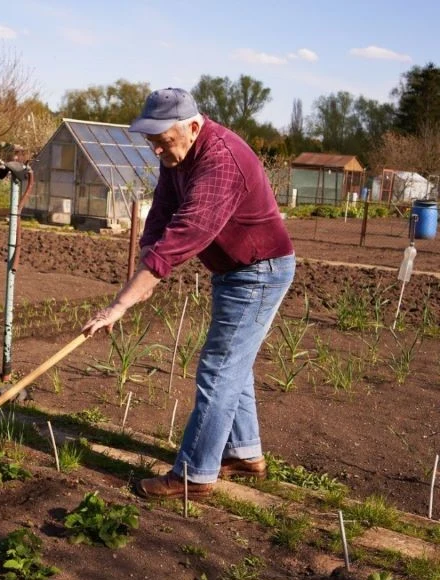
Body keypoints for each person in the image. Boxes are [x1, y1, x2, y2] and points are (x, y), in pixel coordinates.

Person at [81, 88, 295, 499]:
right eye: (152, 140)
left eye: (165, 139)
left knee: (219, 371)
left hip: (259, 270)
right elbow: (163, 210)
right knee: (234, 363)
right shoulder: (177, 156)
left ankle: (194, 476)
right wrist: (147, 248)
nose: (158, 148)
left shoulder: (220, 161)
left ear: (194, 126)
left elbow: (187, 234)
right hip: (236, 270)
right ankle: (243, 454)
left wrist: (120, 304)